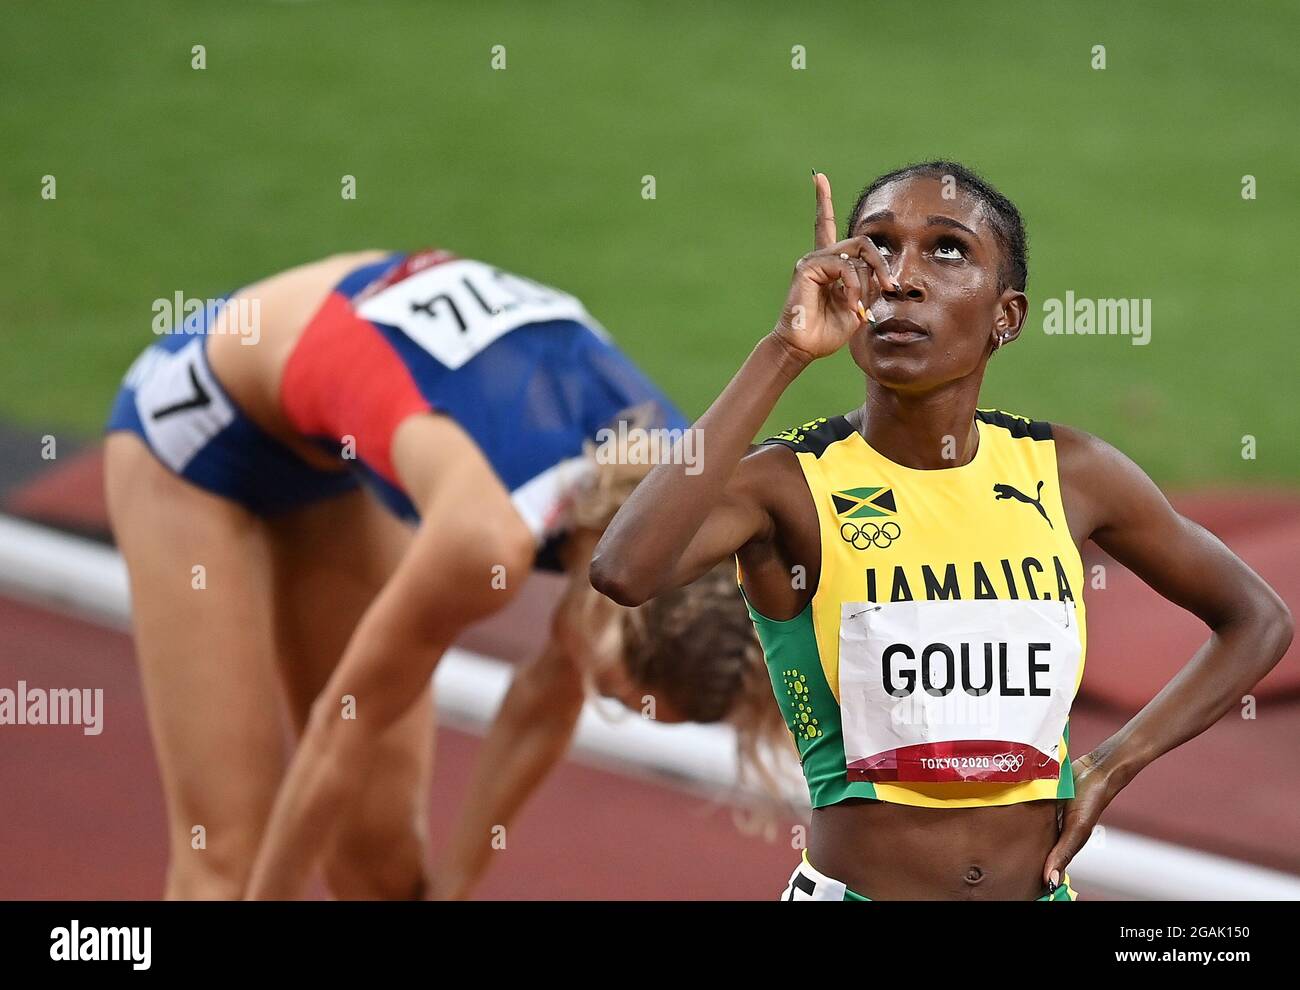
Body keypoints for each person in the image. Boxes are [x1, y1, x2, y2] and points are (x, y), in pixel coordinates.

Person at [590, 162, 1294, 900]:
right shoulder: (788, 484)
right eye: (876, 249)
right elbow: (625, 569)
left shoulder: (1071, 473)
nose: (900, 279)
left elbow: (1258, 618)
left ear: (1007, 316)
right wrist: (785, 351)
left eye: (947, 250)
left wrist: (1110, 765)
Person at [104, 246, 776, 900]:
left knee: (383, 873)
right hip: (196, 434)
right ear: (610, 609)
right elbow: (342, 733)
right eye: (609, 688)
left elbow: (545, 696)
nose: (591, 695)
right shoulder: (486, 539)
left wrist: (453, 887)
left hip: (325, 457)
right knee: (227, 869)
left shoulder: (675, 522)